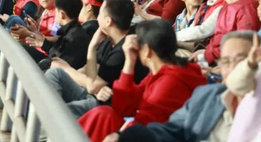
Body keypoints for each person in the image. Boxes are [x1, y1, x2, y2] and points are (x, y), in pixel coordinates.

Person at [79, 20, 207, 142]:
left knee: (103, 116)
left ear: (146, 50)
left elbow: (144, 122)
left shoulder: (170, 81)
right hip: (151, 132)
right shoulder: (164, 72)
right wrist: (129, 61)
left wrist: (119, 134)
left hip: (159, 136)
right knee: (104, 115)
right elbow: (123, 107)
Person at [114, 31, 255, 142]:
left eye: (241, 60)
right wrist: (125, 135)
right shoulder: (207, 95)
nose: (233, 67)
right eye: (226, 61)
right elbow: (172, 129)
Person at [45, 0, 147, 118]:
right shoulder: (108, 39)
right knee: (54, 73)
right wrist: (80, 78)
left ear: (108, 21)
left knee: (61, 111)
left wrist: (68, 68)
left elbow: (92, 86)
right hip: (94, 95)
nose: (97, 17)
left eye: (100, 14)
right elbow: (89, 71)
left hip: (106, 107)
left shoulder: (123, 50)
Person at [192, 0, 261, 64]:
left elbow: (242, 47)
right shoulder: (226, 6)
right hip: (214, 58)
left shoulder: (248, 8)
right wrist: (205, 53)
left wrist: (205, 55)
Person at [25, 0, 89, 70]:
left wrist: (44, 44)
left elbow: (61, 61)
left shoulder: (75, 36)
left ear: (62, 14)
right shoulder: (70, 32)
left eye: (56, 12)